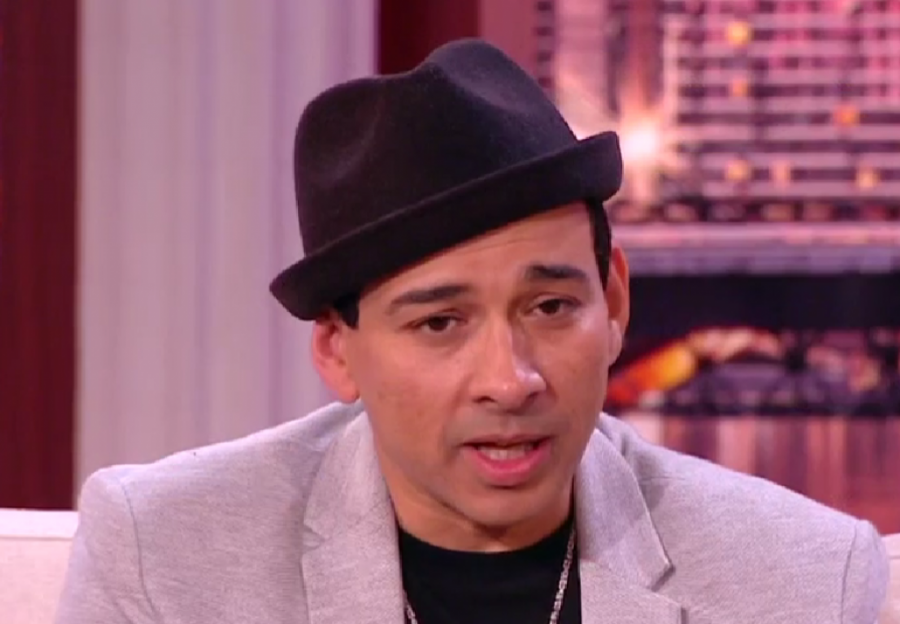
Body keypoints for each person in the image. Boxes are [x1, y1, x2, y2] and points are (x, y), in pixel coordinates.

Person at [55, 38, 888, 624]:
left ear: (613, 303)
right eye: (441, 322)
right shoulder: (166, 557)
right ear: (338, 351)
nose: (511, 379)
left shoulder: (803, 582)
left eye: (550, 307)